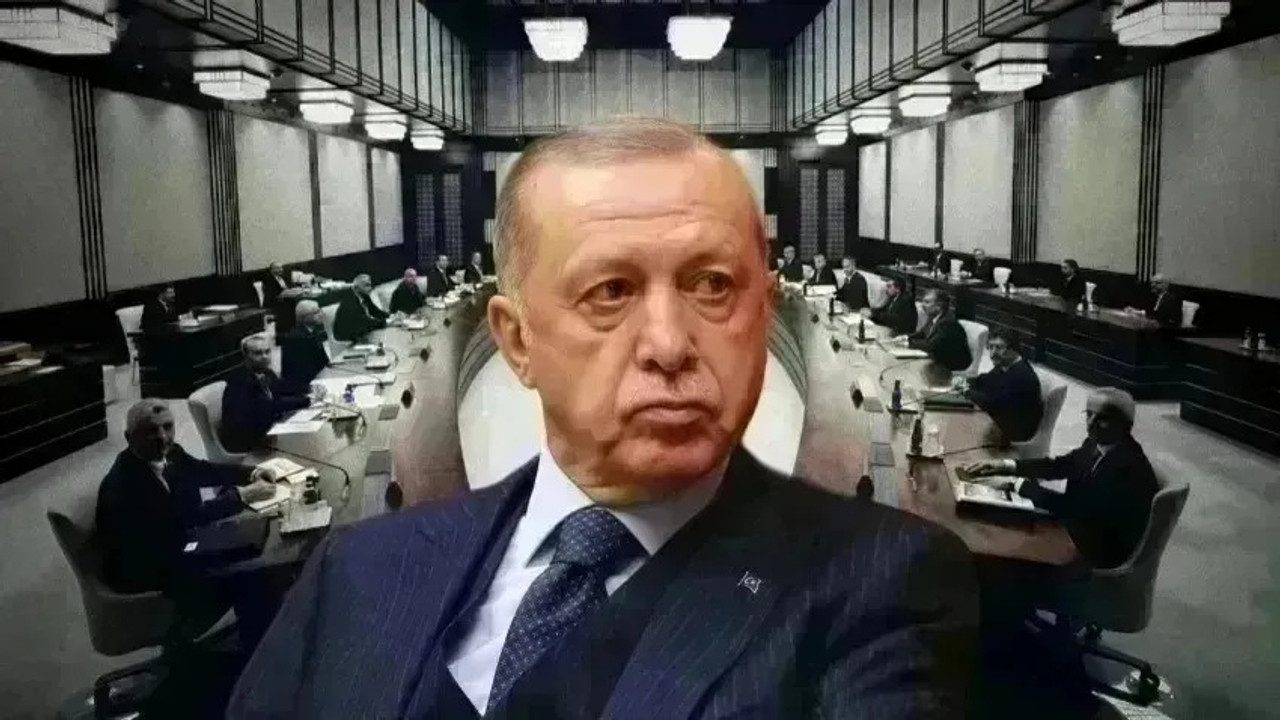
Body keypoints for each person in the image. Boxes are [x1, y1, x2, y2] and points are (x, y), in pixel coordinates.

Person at [230, 118, 978, 718]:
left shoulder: (882, 584)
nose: (669, 345)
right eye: (610, 292)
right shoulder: (354, 570)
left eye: (713, 285)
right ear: (516, 341)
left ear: (762, 310)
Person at [95, 400, 274, 625]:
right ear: (129, 438)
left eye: (168, 427)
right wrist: (241, 496)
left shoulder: (169, 453)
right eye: (151, 431)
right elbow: (183, 518)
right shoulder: (125, 484)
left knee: (254, 545)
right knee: (258, 573)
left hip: (179, 543)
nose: (163, 437)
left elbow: (203, 470)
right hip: (151, 570)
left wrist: (251, 473)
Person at [963, 387, 1159, 570]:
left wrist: (1017, 485)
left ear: (1125, 425)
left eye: (1102, 419)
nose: (1091, 423)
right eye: (1089, 414)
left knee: (1001, 553)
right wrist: (1007, 466)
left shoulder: (1128, 468)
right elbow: (1060, 466)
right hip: (1077, 529)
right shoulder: (1096, 444)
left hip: (1093, 554)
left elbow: (1073, 508)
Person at [219, 334, 310, 453]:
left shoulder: (265, 372)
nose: (264, 357)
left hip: (266, 430)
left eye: (267, 351)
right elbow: (269, 406)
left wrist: (309, 389)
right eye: (258, 353)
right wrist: (306, 400)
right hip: (247, 443)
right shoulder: (239, 381)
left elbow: (282, 387)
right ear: (245, 356)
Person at [962, 329, 1042, 443]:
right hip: (1000, 422)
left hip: (1014, 433)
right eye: (990, 347)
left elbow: (994, 403)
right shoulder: (1005, 365)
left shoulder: (1022, 376)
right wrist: (966, 382)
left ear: (1014, 349)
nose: (993, 353)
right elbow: (985, 381)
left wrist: (966, 391)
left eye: (999, 348)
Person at [908, 289, 972, 372]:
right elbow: (922, 333)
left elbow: (931, 345)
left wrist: (908, 343)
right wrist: (906, 337)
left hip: (953, 365)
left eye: (927, 302)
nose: (922, 305)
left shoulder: (947, 322)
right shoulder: (933, 317)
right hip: (939, 358)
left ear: (938, 306)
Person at [280, 300, 330, 395]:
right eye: (316, 312)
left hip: (317, 379)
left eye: (320, 310)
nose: (321, 314)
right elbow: (303, 371)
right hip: (303, 387)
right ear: (305, 318)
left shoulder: (312, 332)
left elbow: (323, 361)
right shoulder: (299, 338)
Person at [333, 273, 389, 341]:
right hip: (346, 336)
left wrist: (390, 316)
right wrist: (383, 322)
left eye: (370, 285)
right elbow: (364, 321)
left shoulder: (365, 297)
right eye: (367, 285)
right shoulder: (350, 302)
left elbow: (375, 311)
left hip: (359, 330)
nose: (370, 288)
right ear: (356, 288)